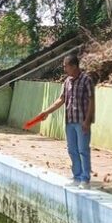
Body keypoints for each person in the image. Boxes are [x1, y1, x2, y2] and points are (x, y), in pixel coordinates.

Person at [38, 54, 95, 189]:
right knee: (72, 150)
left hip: (82, 122)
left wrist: (87, 121)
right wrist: (47, 111)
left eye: (66, 66)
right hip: (70, 121)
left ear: (74, 66)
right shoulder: (67, 81)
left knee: (83, 150)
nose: (64, 69)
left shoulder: (86, 80)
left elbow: (92, 101)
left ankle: (85, 179)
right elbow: (61, 99)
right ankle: (76, 176)